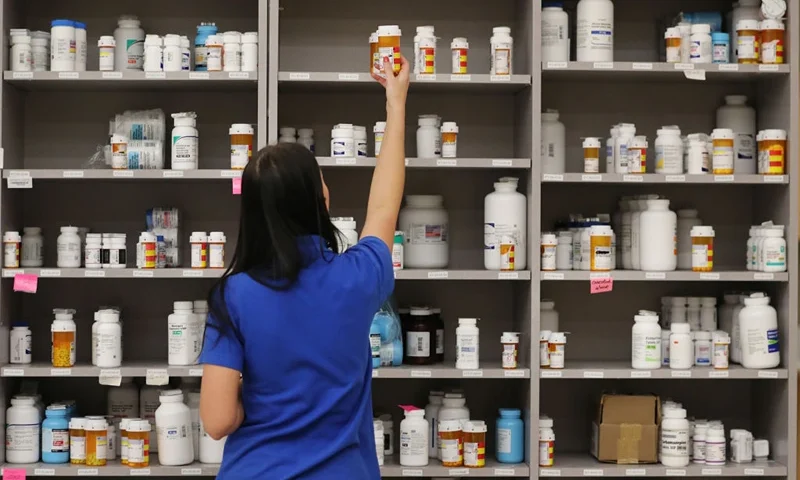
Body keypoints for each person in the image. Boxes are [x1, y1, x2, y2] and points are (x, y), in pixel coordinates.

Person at [198, 55, 410, 479]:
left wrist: (259, 401)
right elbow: (385, 205)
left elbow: (217, 421)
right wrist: (396, 102)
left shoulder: (233, 295)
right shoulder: (358, 276)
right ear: (321, 200)